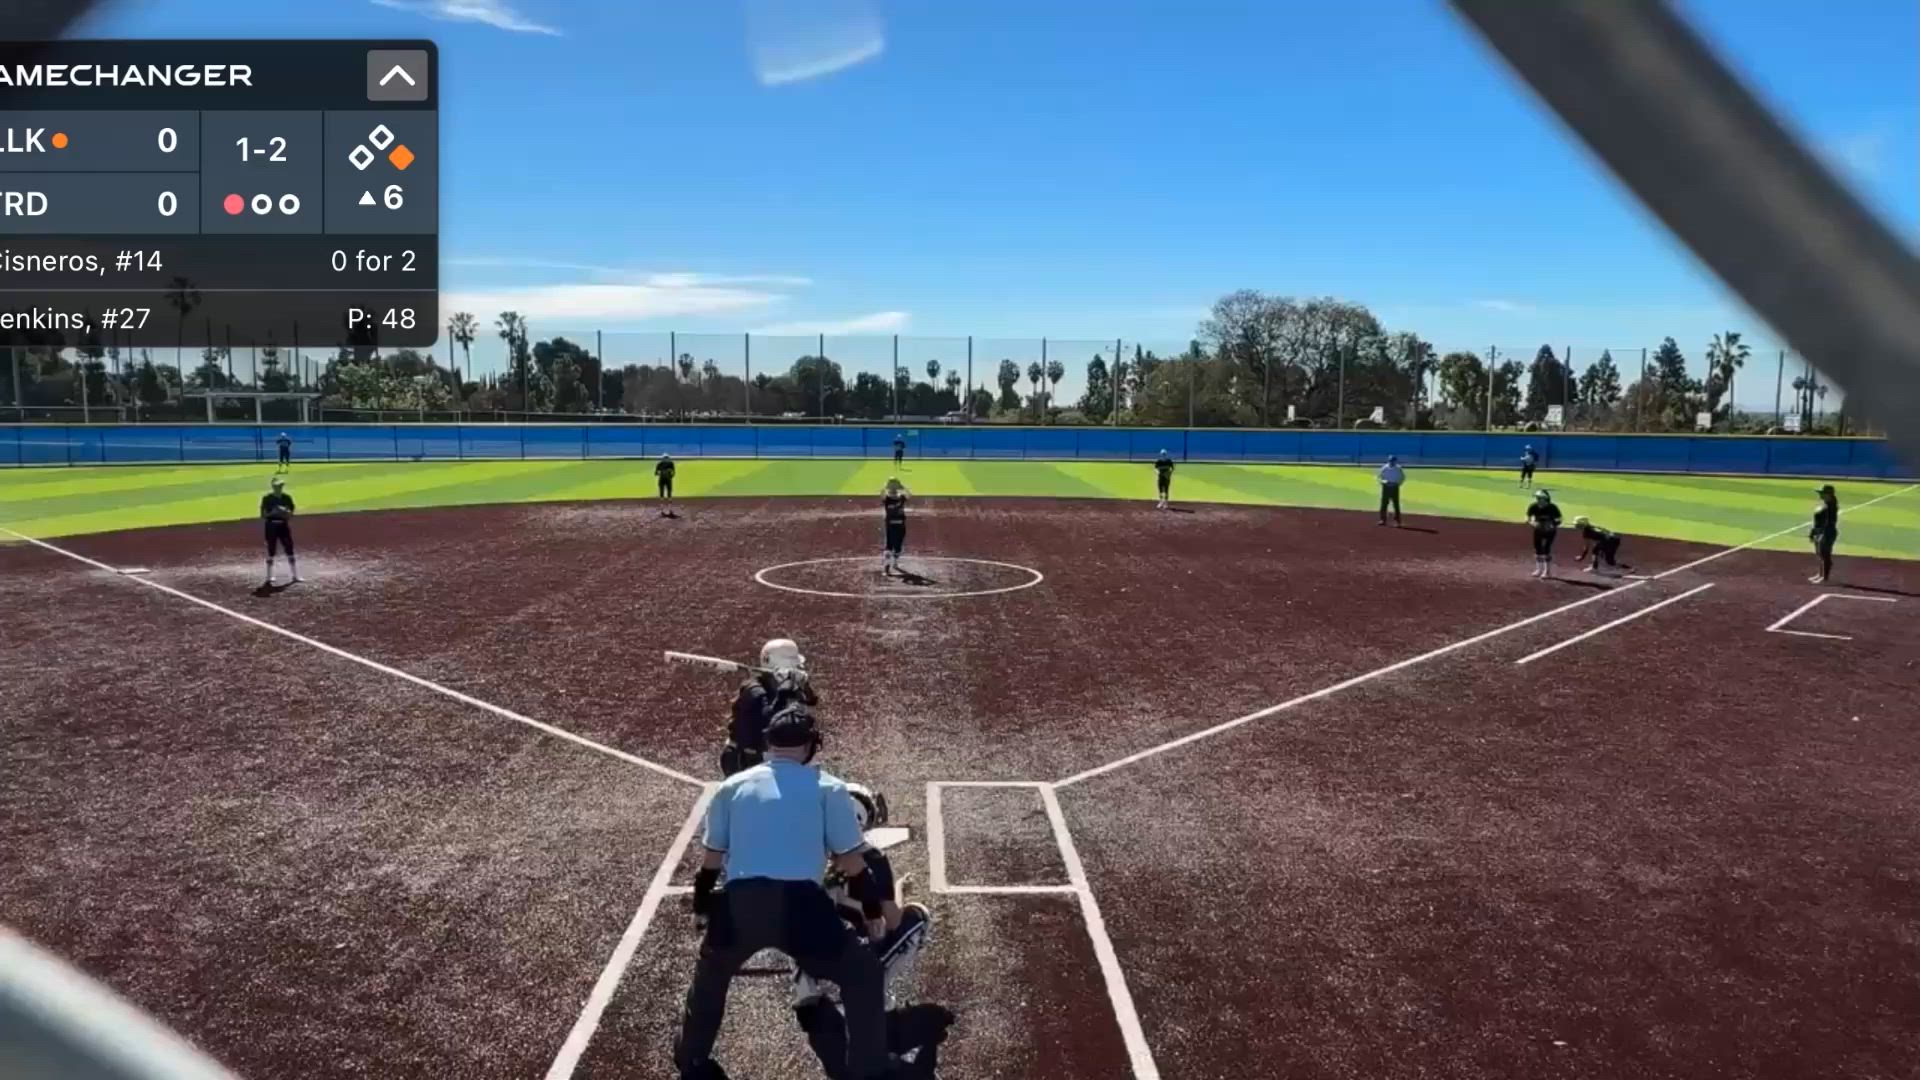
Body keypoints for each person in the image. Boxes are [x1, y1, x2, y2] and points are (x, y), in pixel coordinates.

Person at [675, 705, 900, 1080]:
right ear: (811, 746)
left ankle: (692, 1060)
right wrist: (873, 912)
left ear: (769, 743)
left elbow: (711, 862)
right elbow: (851, 863)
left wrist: (702, 908)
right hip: (802, 908)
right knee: (862, 973)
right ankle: (867, 1070)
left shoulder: (730, 788)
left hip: (741, 902)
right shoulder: (829, 788)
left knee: (711, 973)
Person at [722, 638, 818, 777]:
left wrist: (804, 685)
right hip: (742, 759)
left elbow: (811, 701)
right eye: (794, 666)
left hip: (761, 757)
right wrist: (784, 692)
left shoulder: (780, 686)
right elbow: (769, 719)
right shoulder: (754, 690)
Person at [260, 477, 301, 586]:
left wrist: (285, 512)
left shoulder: (287, 498)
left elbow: (291, 513)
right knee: (271, 550)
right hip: (271, 526)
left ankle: (295, 575)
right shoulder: (267, 499)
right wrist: (273, 512)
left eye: (280, 486)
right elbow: (263, 515)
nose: (279, 488)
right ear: (273, 487)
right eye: (277, 486)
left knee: (289, 548)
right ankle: (269, 577)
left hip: (283, 525)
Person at [1525, 488, 1562, 579]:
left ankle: (1547, 571)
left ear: (1545, 499)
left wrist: (1553, 525)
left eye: (1540, 498)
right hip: (1538, 529)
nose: (1538, 500)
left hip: (1550, 531)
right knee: (1537, 548)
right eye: (1537, 498)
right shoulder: (1533, 506)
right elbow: (1528, 518)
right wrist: (1533, 523)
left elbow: (1559, 519)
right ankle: (1538, 569)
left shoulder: (1552, 507)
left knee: (1546, 549)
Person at [1809, 483, 1840, 584]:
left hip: (1827, 533)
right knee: (1820, 554)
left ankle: (1824, 577)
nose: (1820, 495)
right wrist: (1814, 532)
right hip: (1822, 532)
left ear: (1829, 494)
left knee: (1825, 555)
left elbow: (1826, 522)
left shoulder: (1831, 506)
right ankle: (1820, 574)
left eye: (1822, 493)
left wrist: (1821, 534)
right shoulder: (1827, 504)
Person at [881, 478, 910, 577]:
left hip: (898, 525)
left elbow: (909, 495)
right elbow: (882, 493)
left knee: (896, 547)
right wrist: (900, 486)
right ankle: (887, 566)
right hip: (894, 526)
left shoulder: (900, 498)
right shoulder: (887, 499)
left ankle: (893, 562)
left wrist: (900, 486)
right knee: (890, 547)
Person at [1376, 455, 1405, 526]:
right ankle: (1382, 520)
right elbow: (1379, 477)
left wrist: (1398, 484)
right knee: (1384, 504)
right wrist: (1384, 482)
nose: (1391, 462)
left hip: (1394, 487)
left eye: (1393, 461)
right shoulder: (1384, 468)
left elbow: (1402, 477)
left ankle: (1397, 521)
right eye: (1390, 461)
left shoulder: (1398, 468)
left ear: (1395, 461)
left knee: (1396, 504)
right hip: (1386, 487)